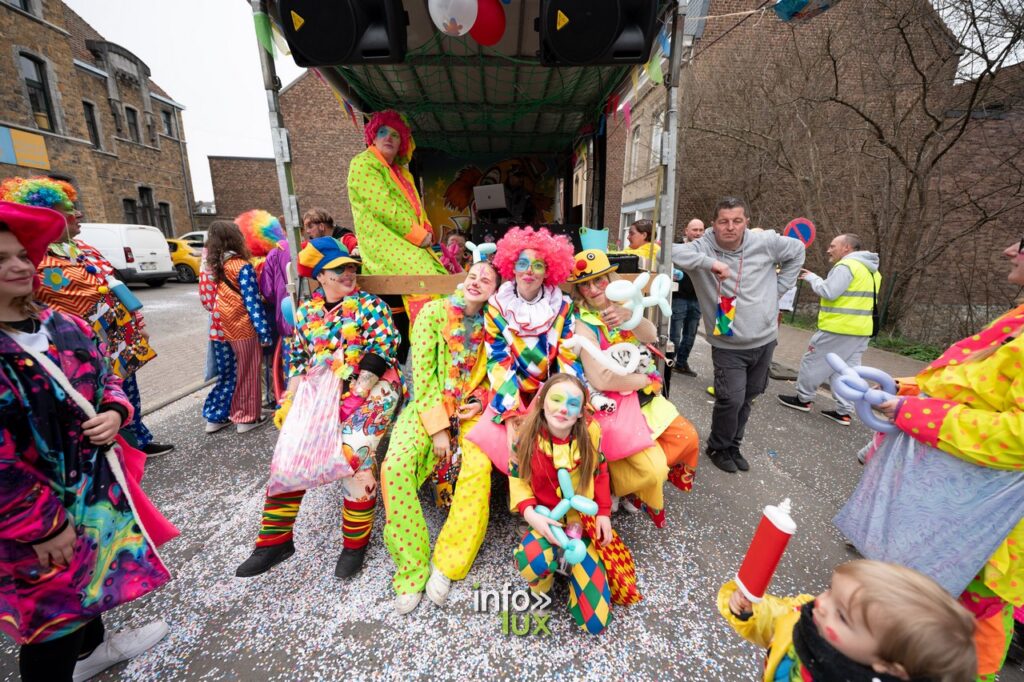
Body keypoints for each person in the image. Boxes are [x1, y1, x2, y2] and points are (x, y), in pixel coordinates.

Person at [834, 237, 1024, 681]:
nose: (1009, 248)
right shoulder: (1019, 317)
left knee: (955, 638)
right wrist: (901, 390)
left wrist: (911, 412)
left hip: (983, 535)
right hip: (947, 514)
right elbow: (966, 384)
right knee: (910, 621)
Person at [0, 201, 172, 682]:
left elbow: (106, 377)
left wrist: (116, 412)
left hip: (91, 496)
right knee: (51, 623)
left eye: (19, 255)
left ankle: (93, 651)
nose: (17, 265)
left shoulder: (61, 325)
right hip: (32, 520)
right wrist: (41, 528)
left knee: (89, 587)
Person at [235, 237, 404, 579]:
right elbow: (297, 359)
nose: (349, 273)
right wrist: (293, 403)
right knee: (290, 452)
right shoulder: (308, 312)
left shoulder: (370, 306)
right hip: (319, 391)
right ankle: (274, 541)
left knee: (352, 456)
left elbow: (386, 347)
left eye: (352, 268)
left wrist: (354, 397)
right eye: (339, 269)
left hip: (373, 386)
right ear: (321, 277)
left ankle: (354, 546)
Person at [0, 176, 174, 456]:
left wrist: (134, 325)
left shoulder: (83, 250)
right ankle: (116, 449)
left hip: (114, 342)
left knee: (123, 393)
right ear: (48, 215)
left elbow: (113, 288)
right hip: (72, 351)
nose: (77, 213)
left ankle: (136, 440)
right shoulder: (37, 259)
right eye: (67, 208)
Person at [381, 261, 501, 614]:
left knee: (478, 471)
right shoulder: (433, 313)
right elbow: (423, 375)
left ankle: (448, 563)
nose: (477, 282)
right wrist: (437, 429)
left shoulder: (495, 325)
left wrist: (480, 400)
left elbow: (500, 374)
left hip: (472, 412)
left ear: (495, 290)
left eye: (487, 280)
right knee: (395, 466)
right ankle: (411, 568)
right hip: (427, 407)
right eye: (473, 275)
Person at [671, 196, 805, 474]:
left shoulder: (765, 242)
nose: (730, 227)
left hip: (765, 339)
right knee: (731, 398)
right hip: (728, 343)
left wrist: (777, 291)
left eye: (737, 221)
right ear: (714, 224)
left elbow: (798, 250)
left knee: (750, 396)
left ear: (747, 222)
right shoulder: (703, 245)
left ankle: (734, 444)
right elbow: (666, 253)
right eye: (724, 221)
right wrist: (710, 264)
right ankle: (718, 446)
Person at [569, 249, 701, 526]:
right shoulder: (582, 324)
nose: (593, 289)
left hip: (643, 399)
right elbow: (602, 379)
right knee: (650, 470)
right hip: (610, 403)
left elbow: (652, 336)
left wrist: (629, 315)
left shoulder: (626, 302)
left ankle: (628, 486)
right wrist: (646, 380)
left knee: (687, 438)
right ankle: (619, 484)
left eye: (599, 280)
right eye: (585, 284)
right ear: (578, 289)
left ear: (610, 278)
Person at [511, 374, 641, 635]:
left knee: (594, 623)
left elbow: (600, 471)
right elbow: (517, 476)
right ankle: (544, 581)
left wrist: (604, 513)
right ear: (542, 403)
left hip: (583, 526)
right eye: (556, 400)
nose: (562, 409)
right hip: (547, 520)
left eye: (572, 404)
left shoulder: (591, 432)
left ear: (581, 412)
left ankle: (573, 568)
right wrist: (530, 515)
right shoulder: (526, 434)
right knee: (532, 559)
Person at [719, 560, 977, 682]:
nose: (820, 604)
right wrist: (750, 612)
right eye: (830, 590)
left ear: (888, 667)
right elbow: (781, 619)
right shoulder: (811, 616)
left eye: (841, 615)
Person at [464, 226, 583, 475]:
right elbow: (498, 362)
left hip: (552, 388)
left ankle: (557, 489)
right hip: (512, 392)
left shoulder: (563, 306)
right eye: (522, 263)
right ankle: (522, 493)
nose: (529, 270)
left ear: (548, 270)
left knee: (570, 433)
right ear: (512, 267)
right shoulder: (497, 307)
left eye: (538, 265)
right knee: (510, 443)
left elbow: (567, 357)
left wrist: (563, 397)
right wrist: (511, 415)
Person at [348, 109, 447, 363]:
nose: (388, 138)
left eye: (395, 134)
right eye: (382, 132)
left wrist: (427, 229)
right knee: (427, 285)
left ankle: (437, 352)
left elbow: (416, 207)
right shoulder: (364, 164)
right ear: (372, 136)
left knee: (443, 285)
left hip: (410, 244)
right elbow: (384, 208)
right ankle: (426, 355)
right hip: (387, 247)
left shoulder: (403, 173)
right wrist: (418, 235)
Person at [778, 233, 881, 425]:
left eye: (833, 246)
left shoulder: (846, 266)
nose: (828, 250)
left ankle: (803, 399)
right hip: (861, 330)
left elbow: (829, 291)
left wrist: (813, 278)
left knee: (813, 360)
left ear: (846, 248)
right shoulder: (872, 271)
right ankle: (844, 411)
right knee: (846, 371)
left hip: (838, 328)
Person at [200, 221, 273, 433]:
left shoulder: (213, 265)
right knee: (249, 371)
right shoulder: (241, 266)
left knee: (228, 374)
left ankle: (216, 416)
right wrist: (263, 331)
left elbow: (207, 299)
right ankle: (247, 418)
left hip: (220, 326)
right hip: (242, 326)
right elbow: (252, 302)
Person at [668, 218, 705, 376]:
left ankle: (682, 364)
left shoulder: (707, 250)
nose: (698, 233)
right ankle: (668, 366)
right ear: (686, 231)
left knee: (690, 335)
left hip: (698, 299)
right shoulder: (677, 249)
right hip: (679, 298)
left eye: (700, 230)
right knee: (674, 336)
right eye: (694, 230)